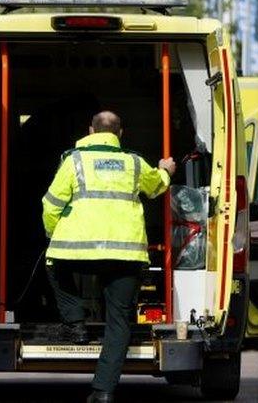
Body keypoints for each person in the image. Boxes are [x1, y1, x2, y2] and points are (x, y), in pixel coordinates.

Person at [42, 111, 176, 403]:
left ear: (90, 130)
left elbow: (51, 203)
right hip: (125, 254)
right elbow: (156, 188)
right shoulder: (135, 162)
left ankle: (75, 323)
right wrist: (166, 169)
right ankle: (104, 390)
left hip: (76, 250)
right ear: (121, 133)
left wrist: (53, 233)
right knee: (119, 321)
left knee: (53, 263)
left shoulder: (73, 160)